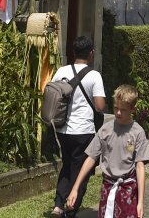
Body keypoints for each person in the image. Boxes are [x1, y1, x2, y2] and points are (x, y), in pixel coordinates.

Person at [64, 84, 149, 218]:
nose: (118, 113)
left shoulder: (137, 132)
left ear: (133, 109)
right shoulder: (106, 130)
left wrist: (140, 202)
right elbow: (91, 158)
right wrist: (75, 188)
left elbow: (140, 166)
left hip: (128, 189)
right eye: (116, 108)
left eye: (123, 110)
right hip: (108, 186)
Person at [52, 35, 106, 218]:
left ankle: (58, 205)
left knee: (67, 166)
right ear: (91, 53)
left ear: (73, 52)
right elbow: (99, 107)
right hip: (83, 131)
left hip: (62, 130)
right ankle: (71, 209)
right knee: (81, 171)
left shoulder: (61, 71)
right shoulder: (94, 75)